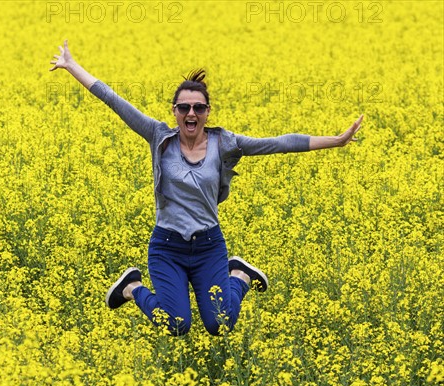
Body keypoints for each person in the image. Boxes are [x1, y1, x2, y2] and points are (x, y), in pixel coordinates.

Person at [49, 40, 363, 336]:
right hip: (167, 247)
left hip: (209, 246)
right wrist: (71, 65)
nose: (191, 114)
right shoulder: (159, 136)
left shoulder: (225, 144)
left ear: (207, 112)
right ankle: (132, 287)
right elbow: (114, 100)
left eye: (198, 108)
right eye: (184, 107)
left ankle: (238, 275)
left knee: (221, 325)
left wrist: (336, 141)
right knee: (176, 324)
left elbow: (282, 143)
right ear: (173, 111)